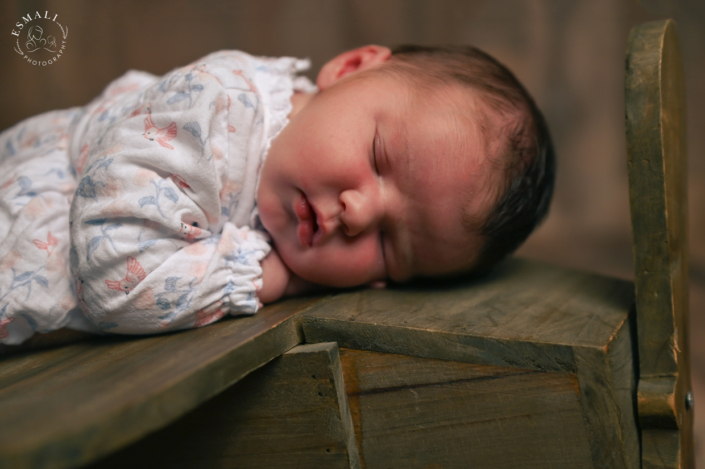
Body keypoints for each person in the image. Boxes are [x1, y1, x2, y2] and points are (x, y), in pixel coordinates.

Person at [0, 44, 554, 345]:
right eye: (380, 158)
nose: (359, 213)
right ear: (352, 68)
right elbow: (116, 279)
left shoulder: (279, 192)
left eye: (390, 245)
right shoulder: (216, 108)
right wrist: (280, 278)